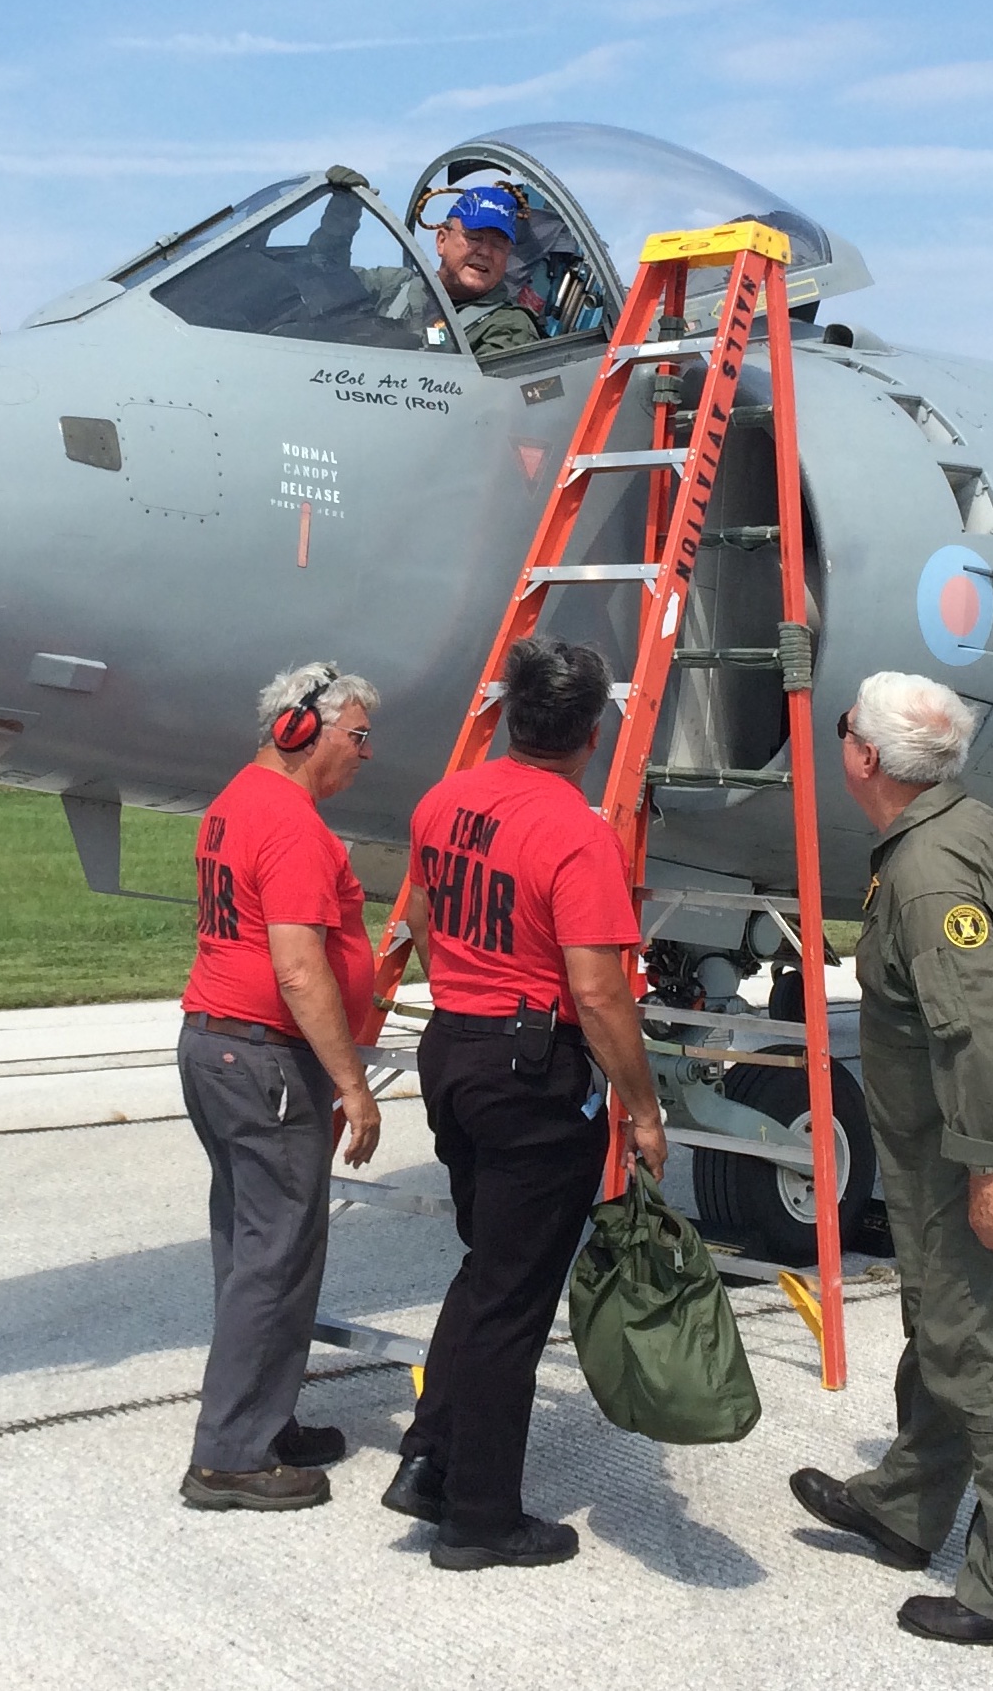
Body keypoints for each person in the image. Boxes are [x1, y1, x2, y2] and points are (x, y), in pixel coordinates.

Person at [788, 670, 993, 1652]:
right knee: (943, 1314)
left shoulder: (927, 873)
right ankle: (908, 1503)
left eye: (844, 728)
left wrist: (987, 1165)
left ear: (866, 760)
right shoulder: (984, 830)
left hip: (980, 1127)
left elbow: (981, 1023)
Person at [381, 637, 667, 1569]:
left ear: (508, 717)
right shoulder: (576, 831)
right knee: (515, 1297)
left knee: (487, 1268)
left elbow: (419, 916)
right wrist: (645, 1107)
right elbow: (599, 992)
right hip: (529, 1070)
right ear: (591, 735)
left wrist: (465, 999)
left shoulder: (443, 801)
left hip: (454, 1048)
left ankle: (430, 1456)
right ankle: (481, 1516)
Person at [174, 661, 388, 1512]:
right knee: (275, 1256)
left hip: (217, 1050)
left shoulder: (234, 802)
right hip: (265, 1062)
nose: (365, 754)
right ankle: (229, 1457)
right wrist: (354, 1086)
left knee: (252, 1250)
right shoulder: (294, 827)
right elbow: (300, 972)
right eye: (358, 736)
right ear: (305, 730)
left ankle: (263, 1419)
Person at [426, 183, 546, 359]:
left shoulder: (509, 326)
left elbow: (486, 385)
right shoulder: (395, 288)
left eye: (498, 244)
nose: (486, 252)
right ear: (442, 240)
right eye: (474, 237)